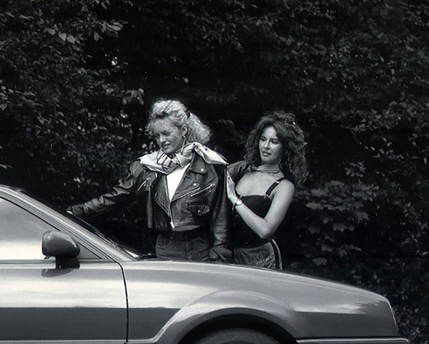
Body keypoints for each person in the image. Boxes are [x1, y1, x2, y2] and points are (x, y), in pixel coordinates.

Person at [69, 99, 231, 261]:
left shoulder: (210, 165)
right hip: (165, 246)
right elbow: (115, 197)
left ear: (183, 130)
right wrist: (78, 211)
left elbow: (220, 216)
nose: (161, 140)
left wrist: (219, 254)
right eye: (157, 136)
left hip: (200, 247)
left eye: (166, 133)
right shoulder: (148, 166)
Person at [225, 111, 308, 269]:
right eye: (263, 139)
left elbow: (265, 230)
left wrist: (234, 199)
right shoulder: (242, 170)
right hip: (228, 255)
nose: (266, 146)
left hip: (260, 258)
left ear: (285, 147)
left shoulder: (284, 185)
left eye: (274, 142)